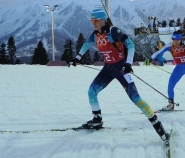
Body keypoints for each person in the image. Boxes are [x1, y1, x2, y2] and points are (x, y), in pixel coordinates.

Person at [70, 8, 170, 143]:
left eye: (96, 20)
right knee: (91, 91)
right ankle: (97, 119)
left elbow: (130, 44)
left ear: (102, 20)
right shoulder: (96, 34)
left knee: (136, 99)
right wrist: (78, 57)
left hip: (121, 68)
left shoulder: (113, 31)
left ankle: (159, 128)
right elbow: (87, 43)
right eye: (92, 20)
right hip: (108, 68)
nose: (93, 23)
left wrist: (128, 63)